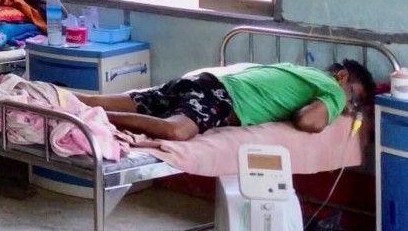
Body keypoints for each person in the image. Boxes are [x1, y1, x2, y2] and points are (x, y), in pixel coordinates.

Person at [75, 60, 376, 142]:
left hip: (203, 82)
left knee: (93, 97)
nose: (351, 105)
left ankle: (52, 96)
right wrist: (340, 108)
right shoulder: (334, 91)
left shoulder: (302, 73)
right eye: (354, 96)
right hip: (221, 97)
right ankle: (96, 117)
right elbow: (308, 121)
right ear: (341, 77)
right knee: (176, 131)